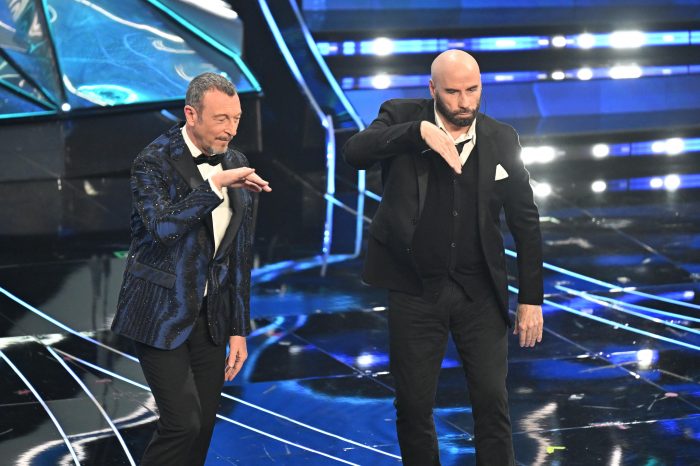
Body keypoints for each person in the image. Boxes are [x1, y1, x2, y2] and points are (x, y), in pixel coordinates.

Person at [343, 50, 544, 466]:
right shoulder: (400, 115)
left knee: (492, 401)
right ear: (432, 88)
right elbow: (355, 153)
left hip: (480, 291)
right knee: (414, 405)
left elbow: (525, 221)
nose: (464, 102)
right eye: (453, 92)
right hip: (415, 289)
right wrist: (417, 133)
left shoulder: (501, 137)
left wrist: (531, 298)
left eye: (472, 90)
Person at [111, 72, 271, 466]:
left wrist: (238, 328)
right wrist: (214, 186)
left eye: (236, 118)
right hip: (159, 312)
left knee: (202, 428)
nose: (231, 129)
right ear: (191, 114)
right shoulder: (152, 161)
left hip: (211, 318)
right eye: (221, 119)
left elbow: (239, 255)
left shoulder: (236, 161)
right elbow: (163, 228)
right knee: (182, 424)